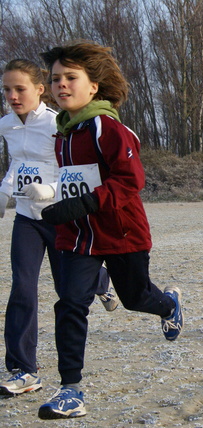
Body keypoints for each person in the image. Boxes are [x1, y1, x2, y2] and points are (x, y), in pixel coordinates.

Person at [36, 41, 183, 419]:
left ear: (93, 87)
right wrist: (53, 197)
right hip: (78, 236)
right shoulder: (63, 132)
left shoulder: (109, 128)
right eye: (55, 79)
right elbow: (74, 181)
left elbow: (131, 180)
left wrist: (84, 203)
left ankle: (168, 304)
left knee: (135, 298)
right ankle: (71, 391)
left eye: (71, 77)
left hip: (122, 234)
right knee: (70, 303)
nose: (61, 85)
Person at [0, 59, 118, 398]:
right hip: (26, 219)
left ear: (40, 89)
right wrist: (6, 189)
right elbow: (18, 163)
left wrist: (50, 191)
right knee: (22, 287)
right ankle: (24, 369)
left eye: (19, 89)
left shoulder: (58, 123)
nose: (12, 96)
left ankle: (101, 281)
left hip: (59, 214)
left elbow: (72, 169)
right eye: (6, 90)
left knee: (68, 284)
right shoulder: (7, 125)